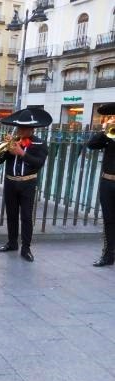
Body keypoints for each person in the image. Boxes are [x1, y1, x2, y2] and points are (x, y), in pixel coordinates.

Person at [0, 107, 52, 262]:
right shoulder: (12, 142)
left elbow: (38, 163)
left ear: (32, 129)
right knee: (11, 215)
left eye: (24, 128)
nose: (20, 130)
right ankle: (12, 243)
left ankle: (26, 248)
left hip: (28, 183)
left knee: (26, 217)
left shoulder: (40, 144)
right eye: (19, 127)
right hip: (10, 182)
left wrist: (22, 153)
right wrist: (2, 149)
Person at [88, 103, 115, 267]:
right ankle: (108, 254)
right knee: (109, 220)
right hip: (107, 182)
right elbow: (91, 145)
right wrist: (106, 131)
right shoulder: (109, 135)